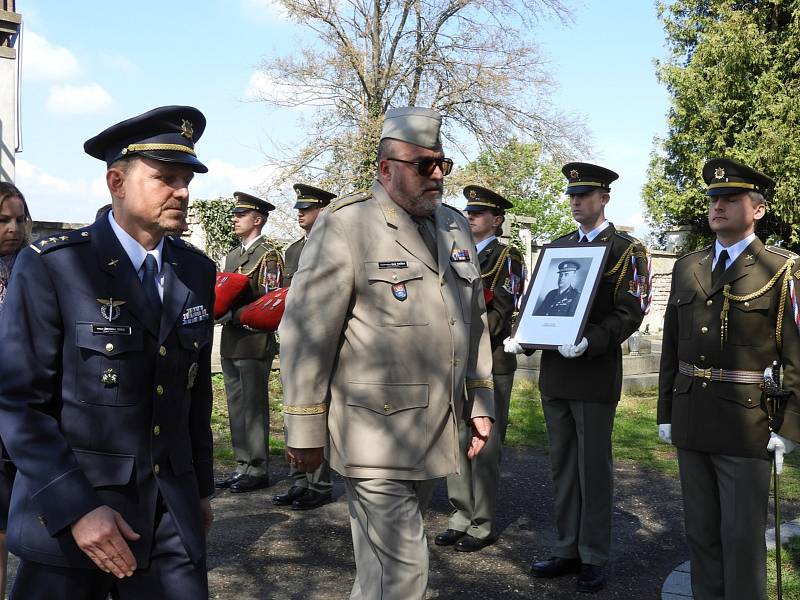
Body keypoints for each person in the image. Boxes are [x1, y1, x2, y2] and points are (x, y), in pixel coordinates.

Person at [278, 107, 495, 600]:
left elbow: (474, 323)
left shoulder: (456, 227)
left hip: (435, 427)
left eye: (443, 164)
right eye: (424, 165)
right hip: (372, 431)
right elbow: (306, 332)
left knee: (378, 572)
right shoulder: (345, 225)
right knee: (404, 573)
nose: (437, 175)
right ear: (386, 167)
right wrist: (305, 427)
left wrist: (480, 403)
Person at [0, 105, 216, 599]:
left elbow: (193, 391)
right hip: (72, 518)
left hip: (169, 518)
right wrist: (75, 507)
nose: (182, 192)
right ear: (116, 182)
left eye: (187, 180)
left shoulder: (193, 271)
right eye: (166, 178)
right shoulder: (54, 266)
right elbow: (18, 403)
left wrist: (200, 488)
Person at [657, 158, 800, 600]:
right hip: (692, 417)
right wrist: (666, 411)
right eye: (714, 199)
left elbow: (797, 354)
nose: (717, 206)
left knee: (740, 540)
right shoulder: (688, 266)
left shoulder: (782, 269)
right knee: (701, 535)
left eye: (730, 199)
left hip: (748, 423)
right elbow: (671, 346)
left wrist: (790, 428)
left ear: (757, 209)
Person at [515, 163, 647, 593]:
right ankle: (566, 546)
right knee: (563, 468)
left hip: (591, 373)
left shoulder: (627, 250)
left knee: (592, 468)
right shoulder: (559, 247)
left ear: (604, 198)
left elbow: (630, 310)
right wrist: (525, 336)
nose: (576, 201)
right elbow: (539, 303)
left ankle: (594, 554)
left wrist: (591, 340)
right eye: (572, 195)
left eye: (585, 194)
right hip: (556, 374)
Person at [435, 185, 523, 552]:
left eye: (480, 213)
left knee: (484, 442)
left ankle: (482, 523)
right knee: (456, 438)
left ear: (497, 220)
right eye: (469, 211)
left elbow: (503, 309)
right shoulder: (455, 252)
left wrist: (466, 328)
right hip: (454, 360)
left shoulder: (507, 257)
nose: (470, 216)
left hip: (491, 361)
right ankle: (460, 514)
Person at [272, 183, 336, 510]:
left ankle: (320, 484)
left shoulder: (335, 245)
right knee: (292, 409)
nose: (300, 213)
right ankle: (298, 479)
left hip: (320, 339)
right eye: (298, 208)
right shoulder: (294, 249)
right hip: (294, 336)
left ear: (323, 210)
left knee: (315, 410)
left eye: (307, 208)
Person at [215, 192, 283, 494]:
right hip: (231, 339)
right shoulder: (232, 255)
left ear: (258, 220)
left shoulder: (268, 255)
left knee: (254, 408)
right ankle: (241, 465)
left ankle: (257, 467)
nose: (234, 218)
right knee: (235, 406)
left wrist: (236, 312)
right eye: (234, 214)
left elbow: (271, 301)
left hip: (254, 339)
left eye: (240, 215)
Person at [0, 182, 32, 599]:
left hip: (25, 407)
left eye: (19, 219)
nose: (13, 228)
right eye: (2, 219)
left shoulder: (38, 265)